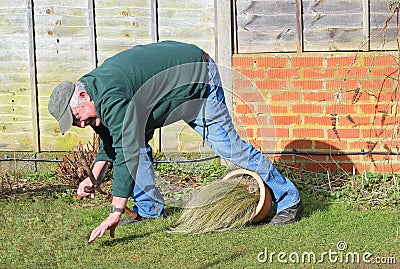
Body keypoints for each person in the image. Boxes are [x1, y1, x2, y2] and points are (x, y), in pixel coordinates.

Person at [48, 41, 303, 243]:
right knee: (134, 144)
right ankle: (149, 209)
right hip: (161, 95)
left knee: (230, 148)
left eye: (77, 118)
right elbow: (112, 142)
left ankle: (289, 200)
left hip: (196, 77)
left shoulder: (111, 96)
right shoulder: (96, 96)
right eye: (75, 123)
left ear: (83, 95)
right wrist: (94, 177)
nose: (81, 125)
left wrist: (116, 211)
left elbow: (127, 152)